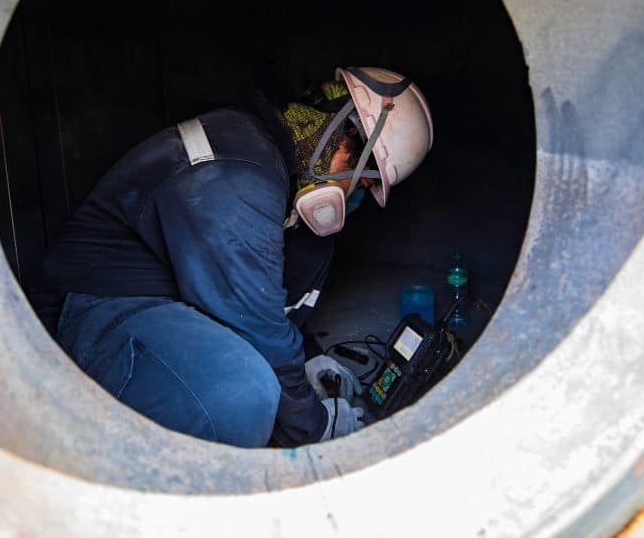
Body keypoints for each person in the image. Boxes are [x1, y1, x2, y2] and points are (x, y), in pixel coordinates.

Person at [42, 67, 433, 447]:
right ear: (340, 138)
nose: (350, 195)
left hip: (161, 302)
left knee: (309, 258)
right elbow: (258, 327)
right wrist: (315, 427)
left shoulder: (262, 153)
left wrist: (306, 360)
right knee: (242, 397)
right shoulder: (240, 180)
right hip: (96, 310)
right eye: (357, 179)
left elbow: (268, 306)